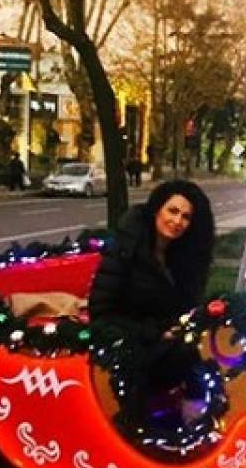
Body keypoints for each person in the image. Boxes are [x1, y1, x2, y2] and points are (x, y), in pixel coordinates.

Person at [88, 180, 215, 423]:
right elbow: (101, 313)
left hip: (167, 342)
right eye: (173, 211)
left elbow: (183, 308)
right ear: (157, 208)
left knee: (209, 349)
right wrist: (155, 333)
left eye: (186, 217)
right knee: (189, 357)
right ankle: (186, 426)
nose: (177, 222)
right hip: (128, 343)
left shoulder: (181, 256)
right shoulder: (126, 249)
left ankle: (198, 423)